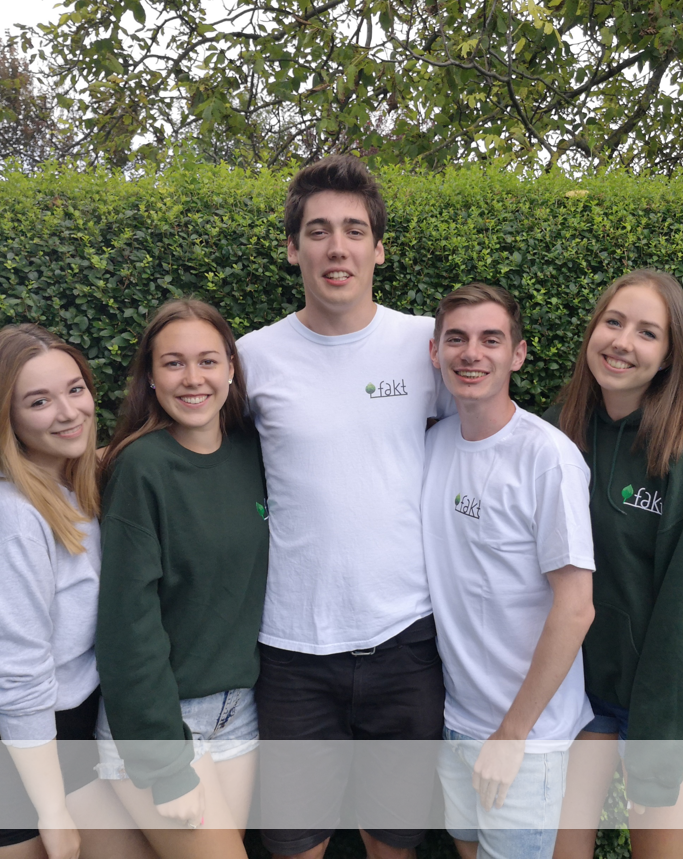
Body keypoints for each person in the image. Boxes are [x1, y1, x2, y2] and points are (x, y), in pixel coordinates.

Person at [236, 154, 452, 859]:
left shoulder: (425, 346)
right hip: (291, 650)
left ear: (378, 249)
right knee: (295, 843)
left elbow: (485, 440)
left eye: (355, 230)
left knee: (394, 842)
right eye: (319, 230)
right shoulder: (250, 358)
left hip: (407, 640)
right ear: (292, 248)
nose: (337, 247)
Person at [0, 323, 152, 859]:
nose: (68, 412)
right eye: (39, 401)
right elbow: (15, 671)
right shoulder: (11, 517)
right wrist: (52, 811)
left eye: (75, 389)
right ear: (5, 418)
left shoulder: (75, 481)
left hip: (62, 724)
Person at [547, 270, 683, 859]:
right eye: (613, 322)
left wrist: (657, 754)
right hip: (578, 697)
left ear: (670, 356)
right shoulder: (558, 433)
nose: (622, 342)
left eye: (647, 333)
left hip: (663, 706)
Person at [423, 283, 597, 859]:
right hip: (457, 720)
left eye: (491, 339)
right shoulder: (433, 444)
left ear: (517, 354)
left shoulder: (547, 458)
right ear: (435, 352)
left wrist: (512, 734)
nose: (472, 353)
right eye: (457, 339)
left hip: (526, 737)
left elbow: (576, 607)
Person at [94, 299, 269, 859]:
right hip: (165, 722)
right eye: (173, 363)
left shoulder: (253, 451)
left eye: (208, 361)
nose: (193, 379)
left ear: (231, 369)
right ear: (150, 376)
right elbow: (128, 625)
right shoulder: (141, 467)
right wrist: (164, 763)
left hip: (237, 710)